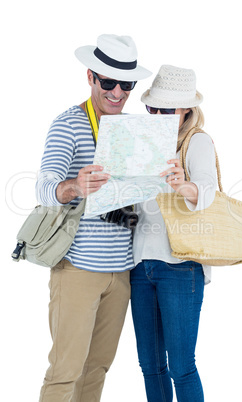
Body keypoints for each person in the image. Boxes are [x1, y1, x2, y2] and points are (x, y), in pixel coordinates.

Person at [36, 34, 151, 402]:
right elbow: (43, 188)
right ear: (90, 77)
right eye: (109, 82)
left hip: (122, 274)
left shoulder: (135, 132)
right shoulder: (68, 124)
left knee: (97, 370)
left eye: (127, 84)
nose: (118, 92)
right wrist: (75, 186)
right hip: (78, 271)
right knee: (65, 374)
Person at [130, 65, 217, 402]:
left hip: (180, 266)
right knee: (150, 365)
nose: (157, 115)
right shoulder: (140, 143)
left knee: (181, 367)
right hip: (140, 266)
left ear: (186, 111)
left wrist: (183, 186)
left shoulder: (197, 142)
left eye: (166, 110)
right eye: (152, 108)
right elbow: (132, 212)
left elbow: (207, 191)